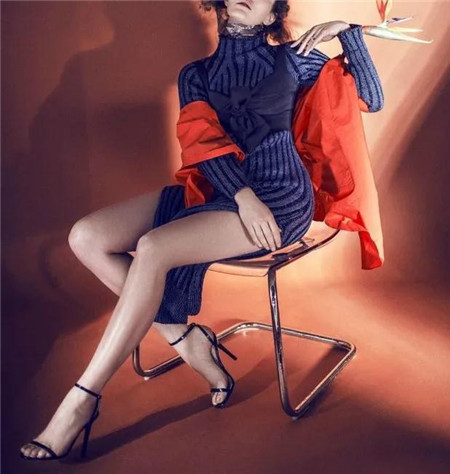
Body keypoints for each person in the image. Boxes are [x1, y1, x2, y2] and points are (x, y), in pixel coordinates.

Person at [19, 0, 383, 461]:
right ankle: (186, 339)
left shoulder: (294, 59)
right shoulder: (196, 74)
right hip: (222, 191)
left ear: (273, 15)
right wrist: (241, 196)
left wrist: (348, 32)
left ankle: (82, 400)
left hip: (280, 200)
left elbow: (372, 98)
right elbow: (203, 145)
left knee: (154, 248)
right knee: (85, 237)